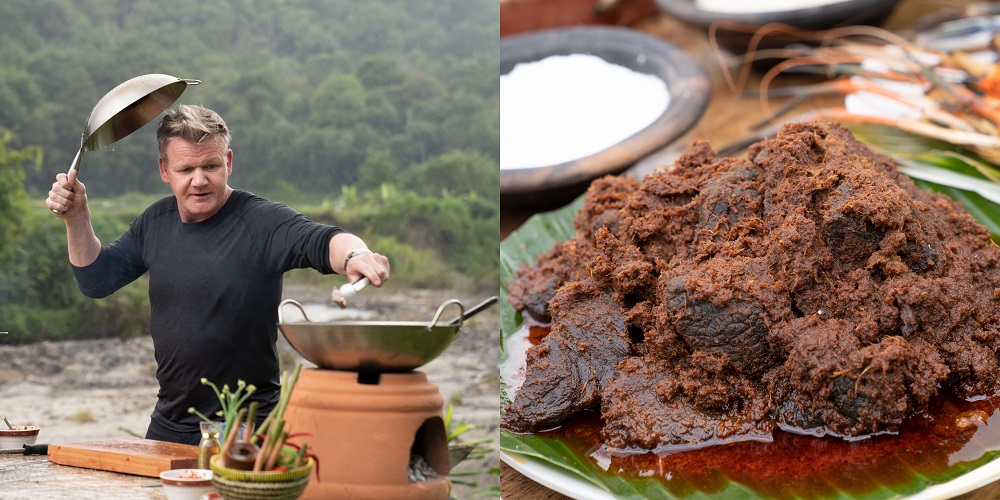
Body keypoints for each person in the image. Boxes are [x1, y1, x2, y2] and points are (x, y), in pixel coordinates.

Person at [44, 104, 390, 445]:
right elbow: (97, 280)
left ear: (228, 162)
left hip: (246, 427)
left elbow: (321, 240)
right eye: (186, 169)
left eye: (210, 166)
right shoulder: (155, 222)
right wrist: (77, 217)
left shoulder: (260, 221)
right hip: (169, 424)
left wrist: (355, 254)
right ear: (164, 169)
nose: (199, 180)